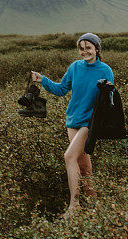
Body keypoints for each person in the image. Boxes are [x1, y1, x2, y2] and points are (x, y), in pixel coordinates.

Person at [30, 32, 114, 218]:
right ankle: (94, 205)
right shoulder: (75, 67)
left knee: (69, 157)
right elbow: (61, 89)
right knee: (84, 167)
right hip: (73, 121)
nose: (85, 52)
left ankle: (74, 206)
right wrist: (42, 80)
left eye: (88, 48)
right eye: (81, 49)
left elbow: (110, 100)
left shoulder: (105, 69)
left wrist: (108, 89)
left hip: (90, 122)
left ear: (96, 49)